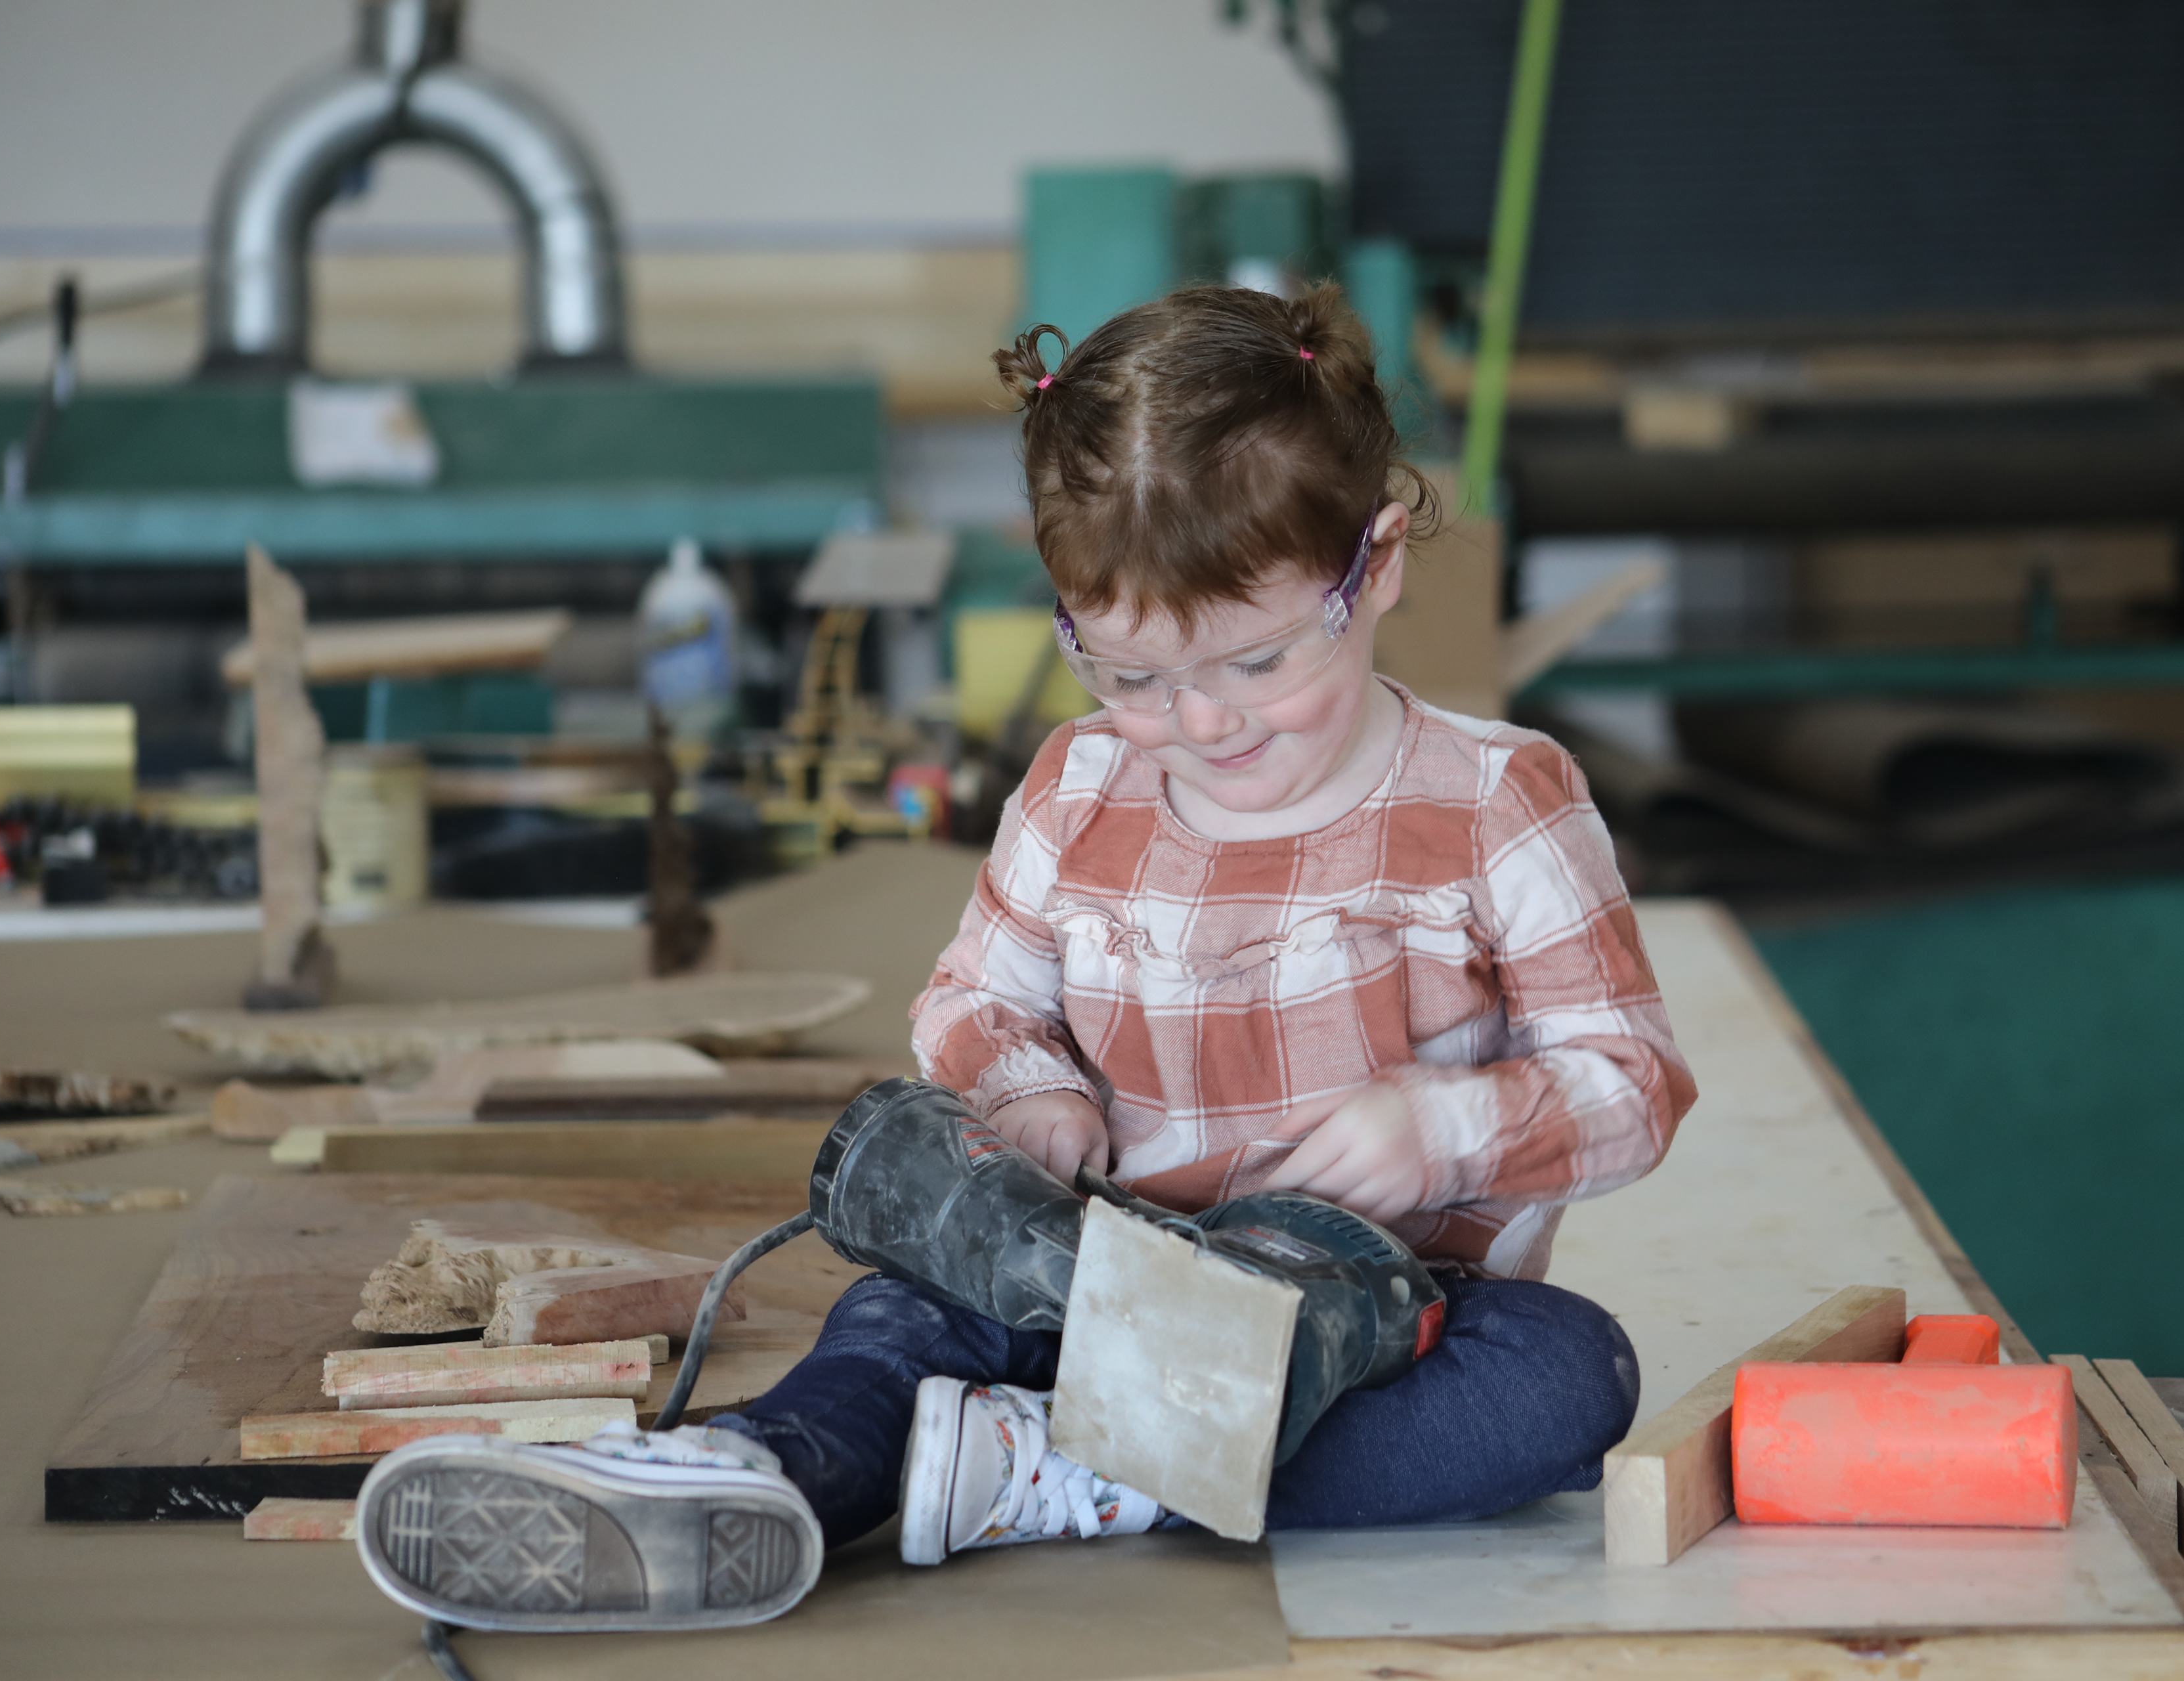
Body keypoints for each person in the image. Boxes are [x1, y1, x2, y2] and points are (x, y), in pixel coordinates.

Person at [354, 283, 1697, 1634]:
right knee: (901, 1306)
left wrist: (1445, 1125)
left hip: (1370, 1329)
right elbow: (974, 1000)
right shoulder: (1080, 786)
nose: (1202, 721)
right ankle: (751, 1474)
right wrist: (1029, 1089)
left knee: (1567, 1379)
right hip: (1092, 1282)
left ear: (1381, 559)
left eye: (1258, 660)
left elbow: (1635, 1084)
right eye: (1130, 674)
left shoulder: (1496, 797)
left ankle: (1058, 1468)